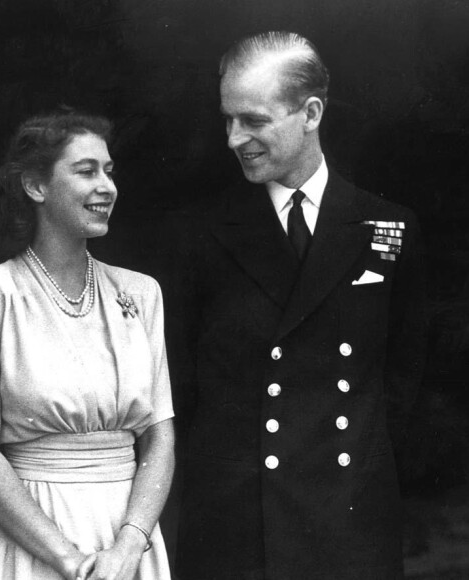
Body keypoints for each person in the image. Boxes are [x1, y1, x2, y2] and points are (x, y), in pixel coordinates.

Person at [171, 31, 426, 580]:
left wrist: (360, 469)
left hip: (347, 519)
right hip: (239, 524)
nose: (235, 138)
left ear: (310, 113)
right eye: (227, 121)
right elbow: (182, 381)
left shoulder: (388, 226)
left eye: (254, 121)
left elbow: (406, 380)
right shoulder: (203, 233)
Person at [0, 109, 175, 580]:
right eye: (86, 171)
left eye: (109, 171)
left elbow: (160, 437)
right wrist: (69, 561)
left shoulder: (141, 293)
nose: (107, 186)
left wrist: (128, 547)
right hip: (31, 541)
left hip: (128, 540)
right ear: (35, 186)